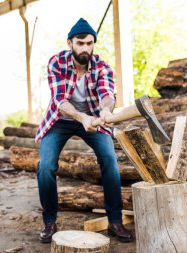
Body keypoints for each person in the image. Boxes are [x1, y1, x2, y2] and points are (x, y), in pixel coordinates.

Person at [35, 18, 133, 243]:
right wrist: (82, 117)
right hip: (61, 119)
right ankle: (49, 222)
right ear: (70, 43)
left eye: (90, 43)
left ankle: (115, 221)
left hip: (94, 119)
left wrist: (106, 111)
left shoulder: (102, 66)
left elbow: (107, 94)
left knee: (110, 160)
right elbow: (59, 99)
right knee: (46, 166)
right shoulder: (56, 63)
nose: (85, 48)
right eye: (80, 43)